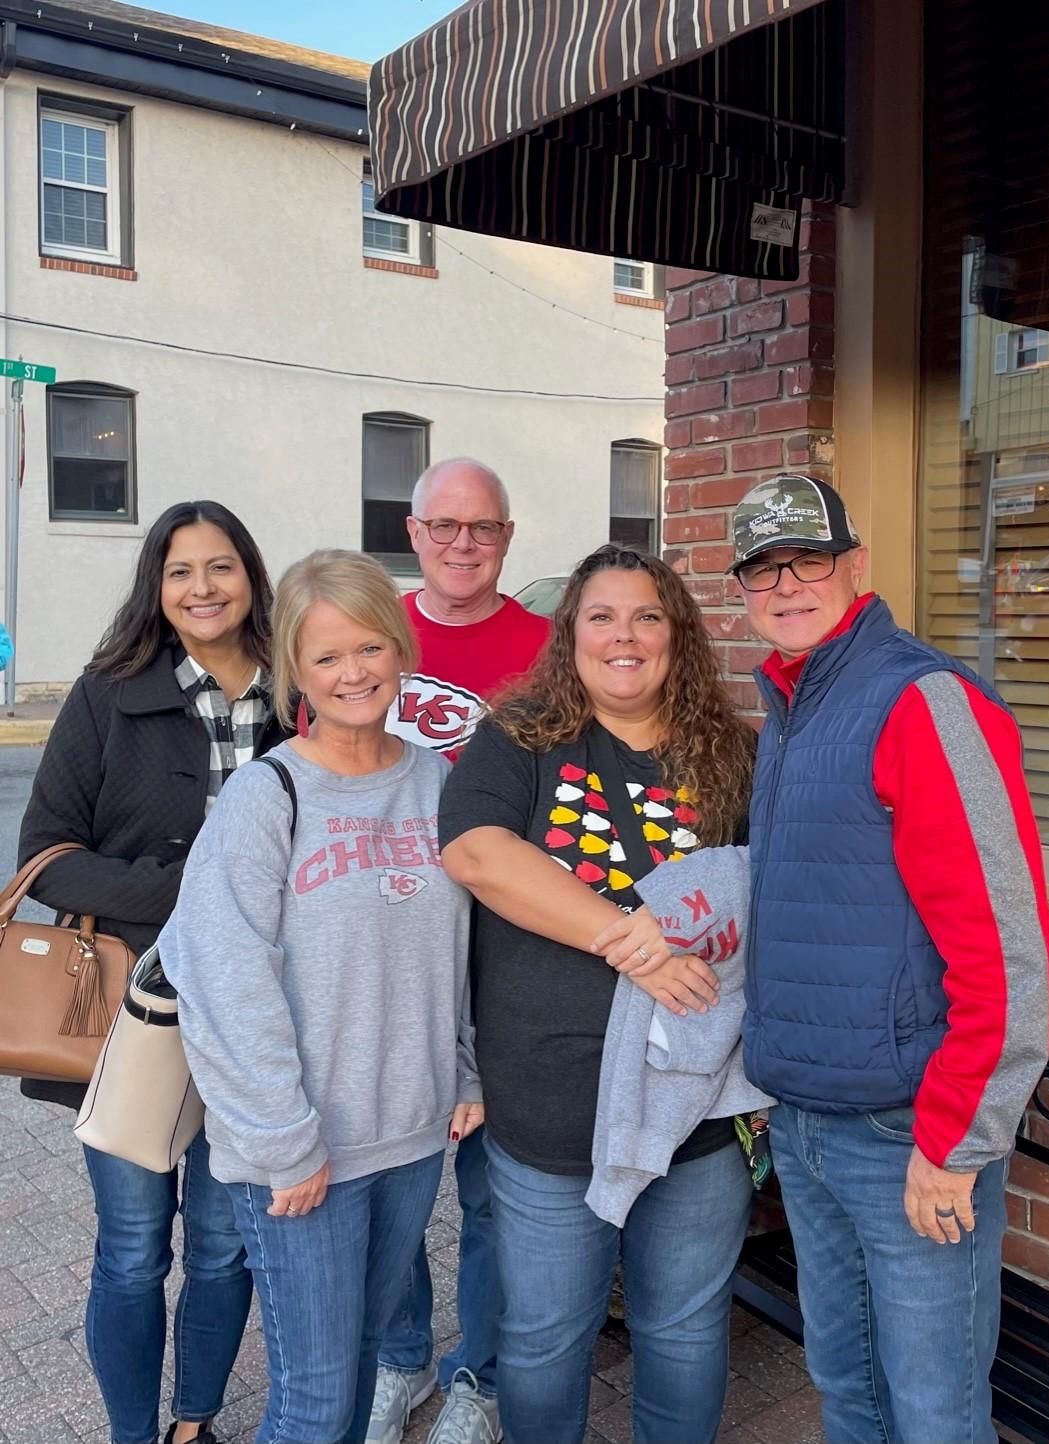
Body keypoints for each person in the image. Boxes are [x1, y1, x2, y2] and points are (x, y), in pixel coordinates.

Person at [729, 473, 1049, 1444]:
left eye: (808, 560)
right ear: (741, 589)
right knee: (848, 1389)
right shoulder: (788, 710)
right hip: (807, 1126)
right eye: (762, 568)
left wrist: (954, 1144)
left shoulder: (921, 700)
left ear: (854, 564)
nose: (787, 585)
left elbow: (1005, 950)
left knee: (934, 1413)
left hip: (908, 1136)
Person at [438, 543, 759, 1444]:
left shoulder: (733, 755)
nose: (625, 636)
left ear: (676, 636)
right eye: (602, 617)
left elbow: (772, 892)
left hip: (696, 1105)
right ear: (570, 635)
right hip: (551, 1105)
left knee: (686, 1329)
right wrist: (635, 947)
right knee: (542, 1339)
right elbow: (475, 853)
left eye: (647, 617)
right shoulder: (519, 739)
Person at [159, 549, 480, 1444]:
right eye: (327, 656)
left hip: (411, 1139)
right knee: (313, 1398)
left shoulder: (432, 780)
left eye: (369, 647)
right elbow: (222, 976)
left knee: (369, 1356)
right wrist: (282, 1142)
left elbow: (457, 948)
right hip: (302, 1152)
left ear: (399, 647)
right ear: (296, 667)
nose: (353, 673)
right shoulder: (267, 798)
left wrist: (462, 1069)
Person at [18, 500, 286, 1444]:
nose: (202, 588)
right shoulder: (107, 691)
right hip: (135, 1009)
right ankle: (134, 1433)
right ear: (157, 588)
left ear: (250, 575)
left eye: (220, 567)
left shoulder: (297, 692)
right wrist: (190, 895)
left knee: (222, 1249)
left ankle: (192, 1424)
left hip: (264, 1017)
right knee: (133, 1252)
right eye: (180, 572)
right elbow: (48, 851)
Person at [372, 459, 549, 1444]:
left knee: (490, 1188)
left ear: (507, 536)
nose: (461, 543)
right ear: (412, 527)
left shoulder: (545, 649)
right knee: (391, 1177)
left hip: (501, 958)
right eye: (443, 524)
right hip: (386, 952)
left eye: (480, 527)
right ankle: (398, 1355)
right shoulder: (372, 628)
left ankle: (476, 1373)